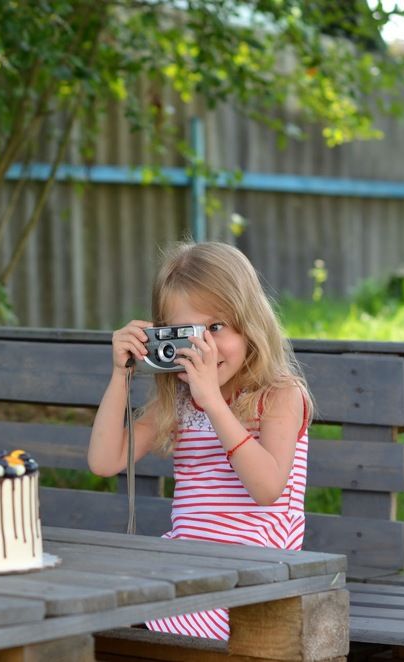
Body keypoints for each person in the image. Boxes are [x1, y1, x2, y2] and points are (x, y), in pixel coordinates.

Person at [87, 241, 313, 640]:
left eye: (216, 327)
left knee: (159, 619)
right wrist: (120, 376)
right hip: (187, 564)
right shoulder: (179, 400)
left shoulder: (278, 396)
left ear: (250, 322)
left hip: (258, 573)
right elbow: (105, 462)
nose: (205, 346)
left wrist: (212, 402)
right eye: (190, 332)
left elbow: (267, 489)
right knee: (96, 609)